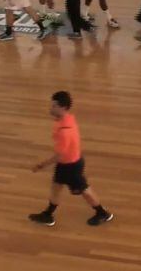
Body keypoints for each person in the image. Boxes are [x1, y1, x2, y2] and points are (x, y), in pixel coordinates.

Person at [29, 91, 114, 227]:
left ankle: (103, 213)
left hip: (71, 166)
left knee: (85, 191)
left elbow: (59, 155)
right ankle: (48, 215)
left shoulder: (65, 131)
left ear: (63, 108)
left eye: (54, 106)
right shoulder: (67, 118)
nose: (51, 108)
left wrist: (41, 165)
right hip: (67, 163)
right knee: (56, 187)